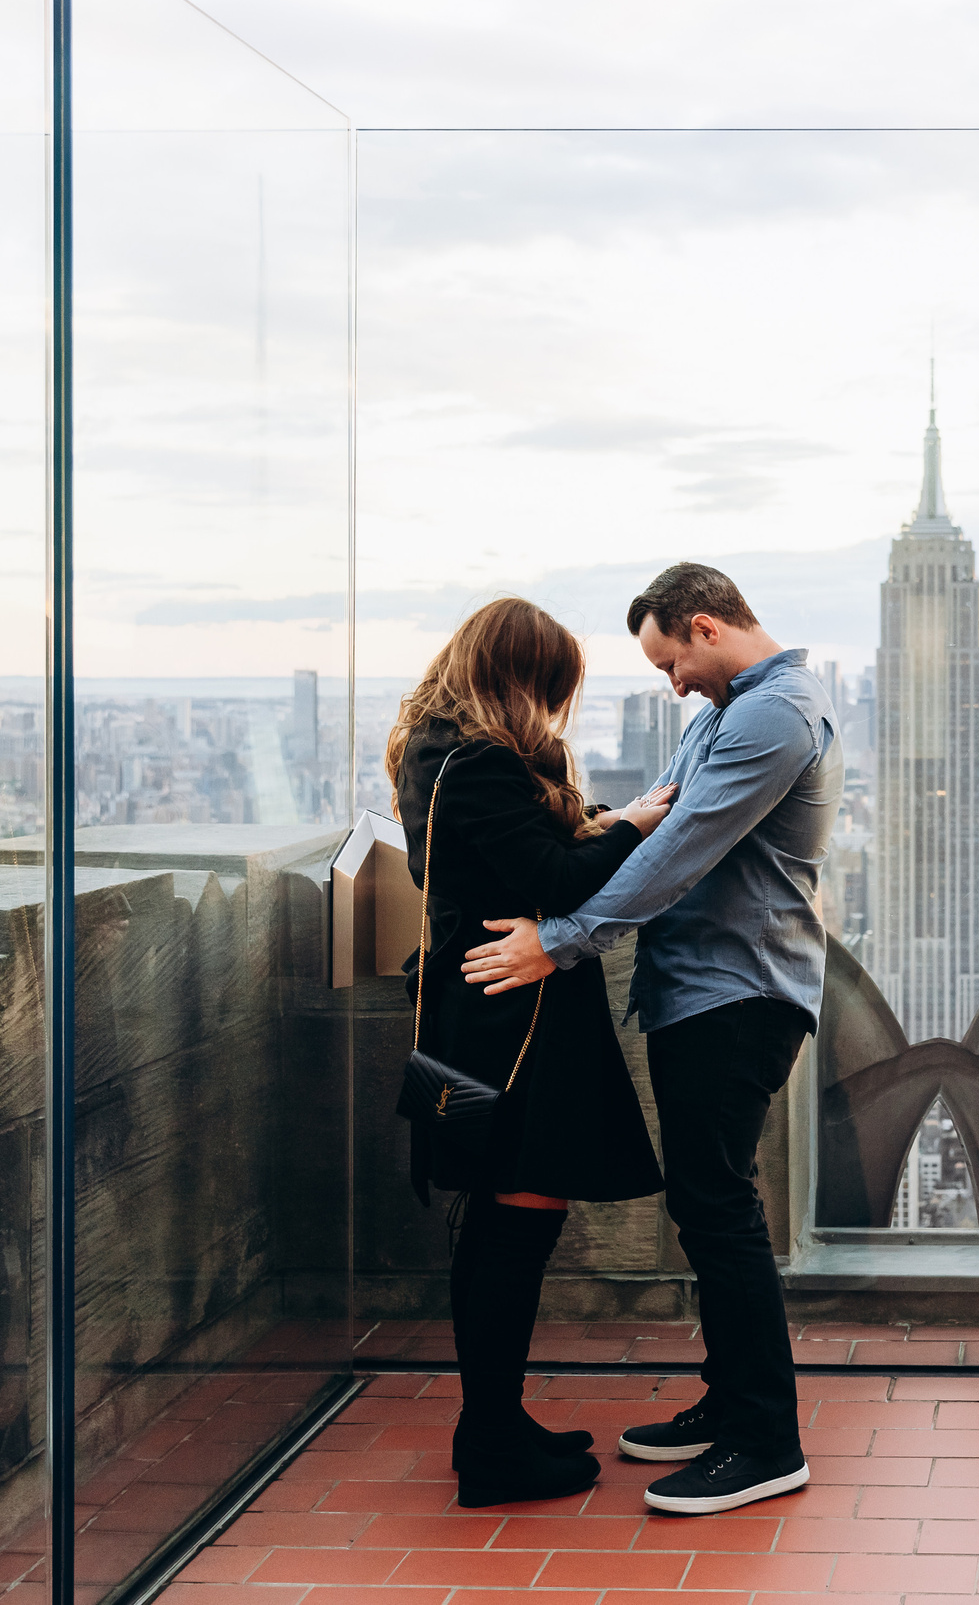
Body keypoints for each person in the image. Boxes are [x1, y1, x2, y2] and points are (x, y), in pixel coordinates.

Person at [462, 562, 839, 1516]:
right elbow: (649, 819)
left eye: (672, 662)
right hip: (697, 992)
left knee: (719, 1209)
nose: (672, 685)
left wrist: (560, 941)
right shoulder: (723, 713)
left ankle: (766, 1439)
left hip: (739, 990)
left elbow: (678, 850)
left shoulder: (772, 715)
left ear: (706, 628)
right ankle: (731, 1401)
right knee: (708, 1209)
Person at [388, 597, 674, 1509]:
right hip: (514, 1029)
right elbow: (552, 881)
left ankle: (493, 1427)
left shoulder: (430, 755)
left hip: (458, 1023)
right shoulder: (481, 766)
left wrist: (594, 819)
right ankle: (493, 1446)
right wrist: (630, 828)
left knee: (490, 1223)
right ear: (522, 681)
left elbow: (504, 861)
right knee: (516, 1224)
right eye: (551, 689)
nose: (555, 710)